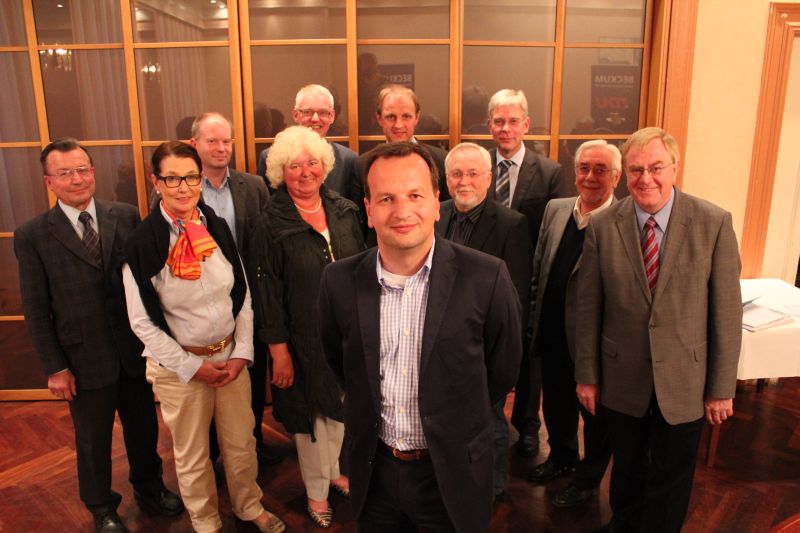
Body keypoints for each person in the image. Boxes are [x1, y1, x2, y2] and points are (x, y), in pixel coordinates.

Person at [319, 142, 522, 532]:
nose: (401, 211)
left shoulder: (486, 277)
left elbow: (502, 371)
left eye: (414, 195)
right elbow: (341, 364)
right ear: (368, 209)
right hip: (374, 472)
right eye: (386, 198)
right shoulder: (338, 281)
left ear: (435, 201)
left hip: (452, 474)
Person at [575, 127, 742, 532]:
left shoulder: (713, 223)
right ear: (624, 174)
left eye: (655, 167)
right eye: (635, 170)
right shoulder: (602, 225)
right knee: (627, 468)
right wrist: (587, 377)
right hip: (622, 378)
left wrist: (721, 388)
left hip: (685, 380)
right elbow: (586, 309)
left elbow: (726, 311)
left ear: (675, 168)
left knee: (673, 475)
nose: (645, 178)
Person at [14, 138, 183, 533]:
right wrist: (55, 367)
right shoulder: (33, 235)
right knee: (93, 439)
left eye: (83, 169)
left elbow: (145, 282)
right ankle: (101, 506)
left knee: (143, 426)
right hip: (82, 356)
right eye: (65, 173)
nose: (77, 179)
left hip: (132, 349)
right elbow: (36, 308)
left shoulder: (123, 215)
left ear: (93, 172)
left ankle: (150, 487)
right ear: (49, 182)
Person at [122, 141, 285, 533]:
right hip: (181, 370)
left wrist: (241, 354)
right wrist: (193, 367)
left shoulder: (214, 224)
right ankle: (206, 521)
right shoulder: (143, 241)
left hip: (230, 362)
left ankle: (248, 506)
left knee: (242, 444)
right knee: (193, 455)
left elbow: (242, 295)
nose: (183, 187)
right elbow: (141, 322)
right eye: (172, 178)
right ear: (155, 181)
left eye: (190, 177)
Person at [249, 125, 364, 528]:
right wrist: (278, 350)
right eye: (294, 165)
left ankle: (333, 473)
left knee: (339, 410)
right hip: (301, 339)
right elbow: (266, 292)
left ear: (325, 166)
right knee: (313, 419)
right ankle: (316, 495)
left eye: (312, 162)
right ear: (280, 171)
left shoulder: (345, 211)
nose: (304, 171)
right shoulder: (270, 223)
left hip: (348, 333)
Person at [434, 142, 531, 501]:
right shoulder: (435, 214)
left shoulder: (511, 225)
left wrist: (502, 361)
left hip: (483, 348)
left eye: (473, 173)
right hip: (437, 346)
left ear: (489, 179)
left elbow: (514, 300)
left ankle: (491, 489)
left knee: (488, 423)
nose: (464, 181)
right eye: (457, 174)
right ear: (445, 179)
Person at [527, 140, 617, 507]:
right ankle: (562, 457)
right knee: (557, 404)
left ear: (616, 177)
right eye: (584, 168)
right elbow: (538, 268)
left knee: (595, 417)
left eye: (600, 169)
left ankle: (588, 477)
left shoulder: (621, 221)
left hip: (594, 343)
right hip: (552, 332)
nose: (590, 177)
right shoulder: (556, 209)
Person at [187, 112, 280, 468]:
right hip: (200, 304)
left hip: (248, 298)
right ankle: (211, 453)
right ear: (194, 144)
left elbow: (266, 242)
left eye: (227, 141)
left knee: (252, 376)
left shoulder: (253, 186)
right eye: (212, 141)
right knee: (206, 383)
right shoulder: (181, 187)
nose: (221, 148)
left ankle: (253, 442)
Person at [486, 88, 569, 458]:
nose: (506, 128)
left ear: (526, 125)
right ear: (490, 125)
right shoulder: (477, 165)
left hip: (529, 277)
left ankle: (528, 427)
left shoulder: (550, 172)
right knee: (490, 352)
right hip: (485, 278)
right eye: (499, 121)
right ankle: (490, 423)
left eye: (513, 121)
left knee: (527, 356)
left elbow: (554, 229)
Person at [351, 85, 451, 234]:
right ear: (379, 118)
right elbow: (360, 223)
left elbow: (447, 217)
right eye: (391, 117)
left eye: (406, 116)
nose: (398, 125)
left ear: (416, 118)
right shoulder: (362, 164)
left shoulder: (441, 160)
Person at [257, 84, 358, 198]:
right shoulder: (269, 157)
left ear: (332, 116)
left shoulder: (348, 160)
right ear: (295, 115)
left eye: (323, 112)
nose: (315, 118)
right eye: (307, 112)